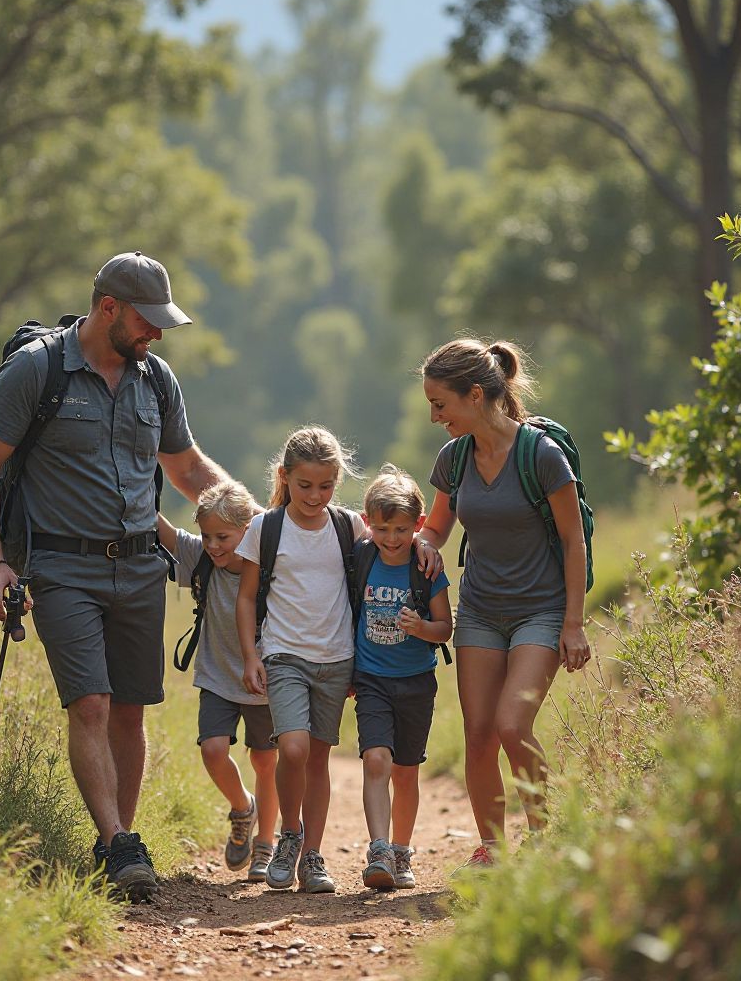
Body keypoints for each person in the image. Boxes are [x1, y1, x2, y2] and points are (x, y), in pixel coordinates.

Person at [0, 251, 227, 902]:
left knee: (130, 713)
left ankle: (119, 845)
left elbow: (189, 469)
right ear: (108, 308)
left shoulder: (155, 379)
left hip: (140, 567)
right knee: (92, 702)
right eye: (147, 321)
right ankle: (115, 839)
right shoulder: (37, 370)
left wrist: (257, 523)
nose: (157, 335)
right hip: (60, 568)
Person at [415, 338, 590, 870]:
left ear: (474, 395)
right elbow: (438, 525)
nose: (434, 416)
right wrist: (423, 544)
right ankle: (491, 846)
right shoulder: (456, 457)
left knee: (513, 725)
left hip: (542, 609)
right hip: (480, 612)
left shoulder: (542, 454)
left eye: (440, 404)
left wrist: (574, 623)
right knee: (479, 734)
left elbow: (573, 539)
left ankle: (543, 836)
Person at [234, 426, 368, 894]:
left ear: (337, 482)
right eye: (305, 485)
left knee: (317, 759)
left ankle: (313, 856)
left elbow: (386, 561)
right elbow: (247, 597)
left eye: (326, 485)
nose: (315, 495)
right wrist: (251, 657)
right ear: (285, 477)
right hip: (283, 655)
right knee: (291, 748)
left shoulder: (348, 526)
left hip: (337, 659)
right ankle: (290, 834)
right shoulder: (264, 528)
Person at [156, 481, 279, 882]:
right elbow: (165, 533)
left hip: (265, 679)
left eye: (223, 537)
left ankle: (266, 845)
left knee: (265, 761)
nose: (212, 545)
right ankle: (243, 807)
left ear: (249, 529)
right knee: (212, 750)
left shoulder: (272, 560)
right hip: (216, 674)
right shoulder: (201, 559)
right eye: (207, 535)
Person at [353, 465, 452, 890]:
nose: (391, 539)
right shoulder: (361, 557)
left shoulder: (426, 569)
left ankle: (401, 850)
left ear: (419, 525)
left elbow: (446, 628)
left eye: (400, 529)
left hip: (415, 681)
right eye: (382, 528)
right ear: (367, 523)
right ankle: (379, 850)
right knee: (376, 759)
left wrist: (421, 628)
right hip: (371, 679)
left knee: (406, 772)